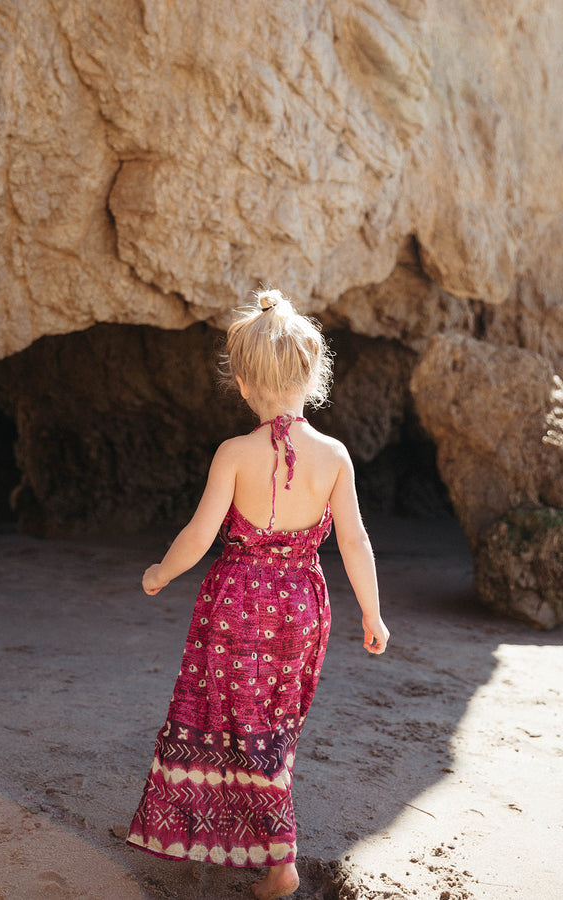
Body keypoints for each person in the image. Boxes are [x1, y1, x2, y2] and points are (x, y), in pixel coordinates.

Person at [126, 288, 390, 900]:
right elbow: (354, 541)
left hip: (235, 605)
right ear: (311, 374)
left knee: (234, 722)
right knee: (274, 726)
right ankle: (259, 841)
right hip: (302, 609)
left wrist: (161, 572)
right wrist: (373, 613)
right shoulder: (334, 457)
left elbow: (199, 534)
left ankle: (277, 856)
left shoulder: (235, 454)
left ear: (243, 383)